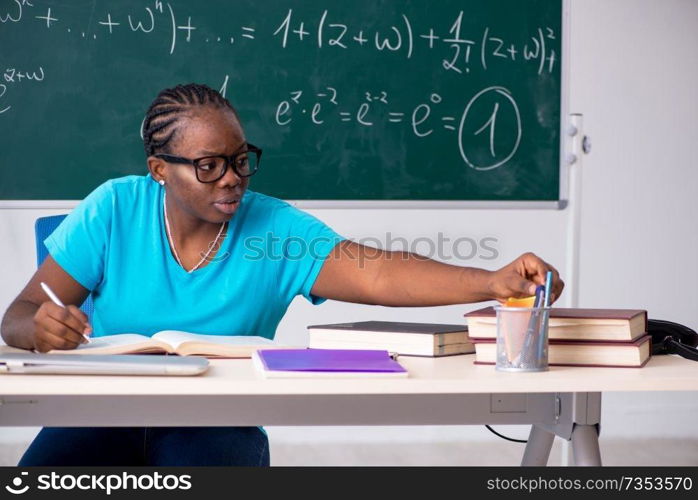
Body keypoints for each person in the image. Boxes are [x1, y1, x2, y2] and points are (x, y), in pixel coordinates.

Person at [0, 83, 564, 466]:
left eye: (241, 159)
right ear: (158, 171)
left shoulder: (271, 227)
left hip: (216, 423)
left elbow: (378, 275)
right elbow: (17, 318)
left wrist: (491, 281)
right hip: (100, 414)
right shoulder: (113, 209)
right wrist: (40, 329)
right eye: (208, 165)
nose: (231, 179)